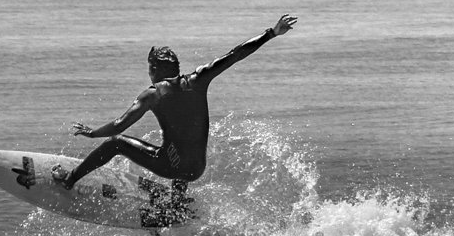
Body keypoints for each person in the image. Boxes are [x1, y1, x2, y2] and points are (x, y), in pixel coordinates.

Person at [53, 14, 297, 196]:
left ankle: (69, 180)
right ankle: (176, 203)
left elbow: (118, 126)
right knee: (179, 143)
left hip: (171, 166)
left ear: (155, 69)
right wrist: (271, 33)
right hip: (196, 169)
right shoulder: (198, 80)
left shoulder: (153, 94)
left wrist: (93, 133)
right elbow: (235, 54)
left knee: (116, 144)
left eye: (149, 68)